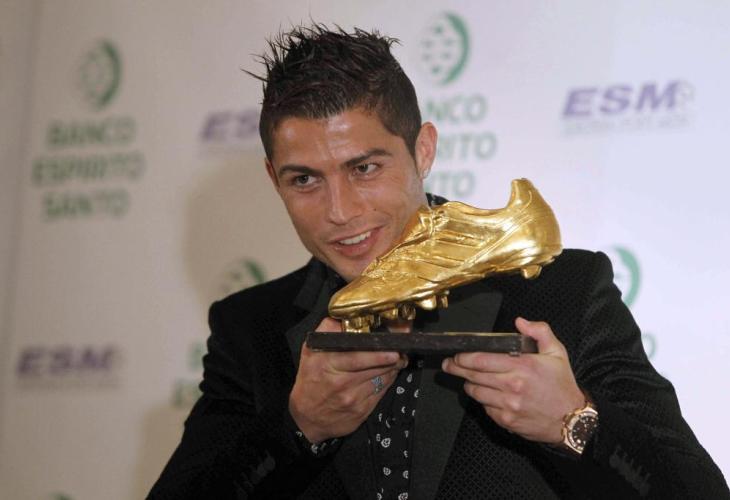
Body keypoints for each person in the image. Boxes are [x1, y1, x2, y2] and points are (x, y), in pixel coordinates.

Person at [149, 25, 729, 499]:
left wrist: (575, 422)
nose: (340, 212)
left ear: (423, 150)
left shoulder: (564, 291)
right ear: (274, 178)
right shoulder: (249, 326)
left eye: (364, 168)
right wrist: (299, 428)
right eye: (305, 180)